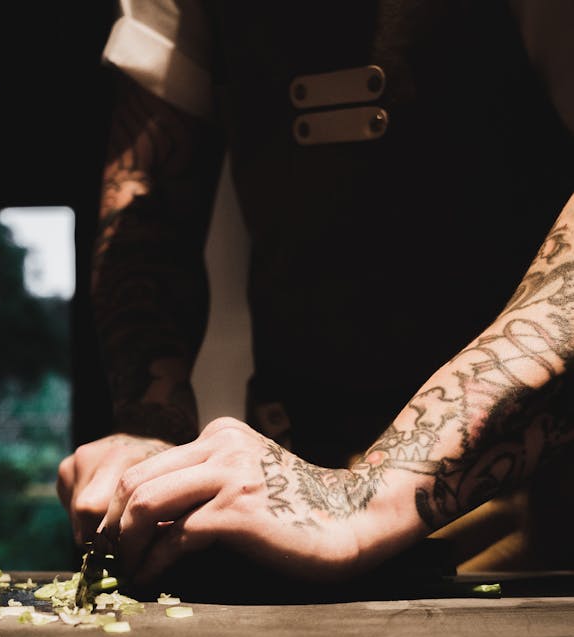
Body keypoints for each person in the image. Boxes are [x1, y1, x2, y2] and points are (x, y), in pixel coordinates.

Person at [57, 0, 574, 592]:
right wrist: (151, 434)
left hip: (534, 509)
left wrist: (364, 503)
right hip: (296, 460)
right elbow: (147, 212)